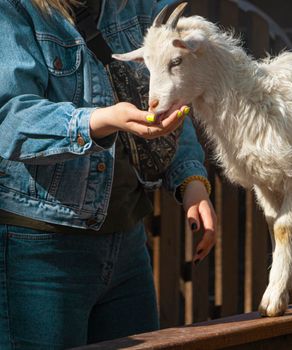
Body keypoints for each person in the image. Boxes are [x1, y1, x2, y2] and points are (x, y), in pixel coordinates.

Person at [0, 0, 217, 348]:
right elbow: (9, 118)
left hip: (128, 243)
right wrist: (97, 121)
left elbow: (174, 98)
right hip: (40, 251)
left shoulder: (139, 5)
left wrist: (191, 182)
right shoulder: (14, 8)